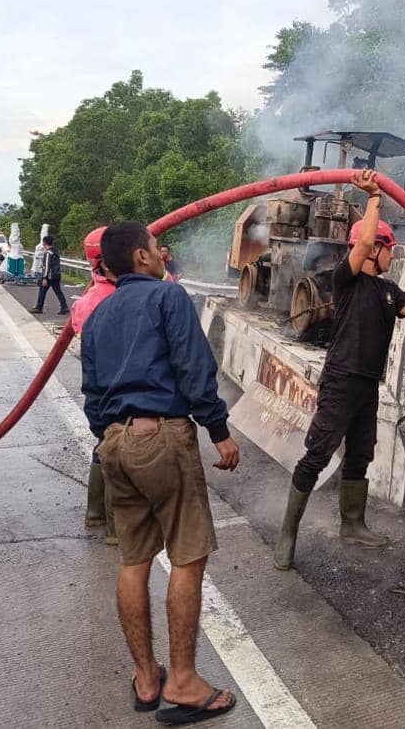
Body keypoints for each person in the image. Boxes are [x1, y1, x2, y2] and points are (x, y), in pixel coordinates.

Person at [274, 170, 405, 571]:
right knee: (317, 454)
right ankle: (287, 536)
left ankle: (352, 524)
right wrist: (375, 197)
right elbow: (363, 241)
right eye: (389, 249)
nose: (391, 255)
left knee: (360, 454)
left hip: (366, 385)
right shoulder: (344, 281)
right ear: (374, 249)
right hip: (341, 379)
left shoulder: (387, 291)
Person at [81, 222, 239, 722]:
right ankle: (186, 683)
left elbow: (91, 392)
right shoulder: (169, 299)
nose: (162, 252)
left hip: (114, 445)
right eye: (155, 247)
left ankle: (147, 678)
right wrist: (218, 430)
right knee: (188, 556)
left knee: (133, 561)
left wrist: (110, 438)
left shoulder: (99, 314)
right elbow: (194, 368)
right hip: (161, 438)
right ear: (142, 258)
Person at [71, 227, 118, 544]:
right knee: (119, 453)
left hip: (96, 390)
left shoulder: (86, 301)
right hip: (121, 389)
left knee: (103, 446)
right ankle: (118, 530)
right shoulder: (121, 297)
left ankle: (94, 513)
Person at [30, 236, 68, 315]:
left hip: (49, 276)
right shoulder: (55, 251)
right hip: (56, 275)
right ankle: (64, 307)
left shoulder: (48, 253)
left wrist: (44, 277)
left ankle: (39, 307)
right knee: (58, 292)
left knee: (42, 290)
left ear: (44, 243)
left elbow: (47, 266)